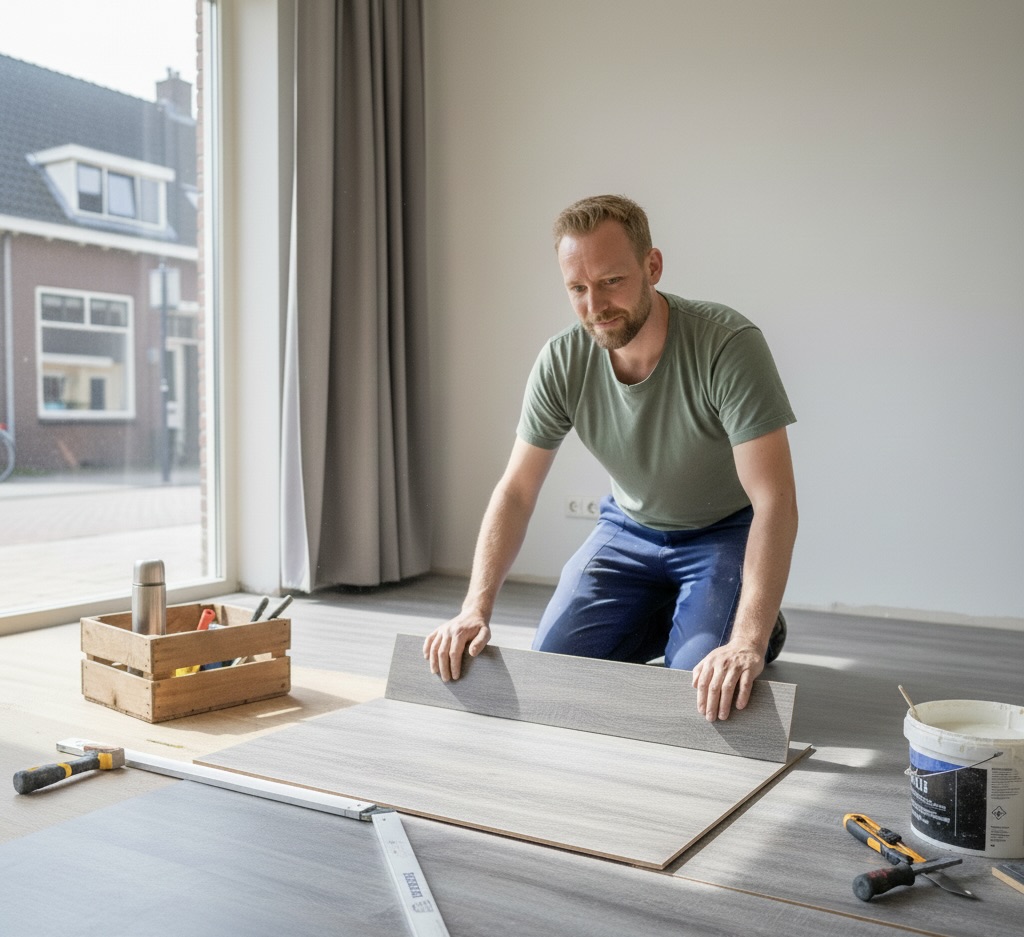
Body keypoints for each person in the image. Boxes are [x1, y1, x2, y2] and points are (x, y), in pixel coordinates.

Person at [424, 194, 797, 722]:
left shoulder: (728, 344)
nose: (594, 306)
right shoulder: (562, 360)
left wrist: (749, 641)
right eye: (577, 288)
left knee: (697, 693)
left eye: (611, 281)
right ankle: (681, 608)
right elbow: (516, 490)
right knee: (552, 670)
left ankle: (750, 617)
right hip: (628, 530)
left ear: (652, 266)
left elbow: (774, 499)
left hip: (721, 531)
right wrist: (474, 609)